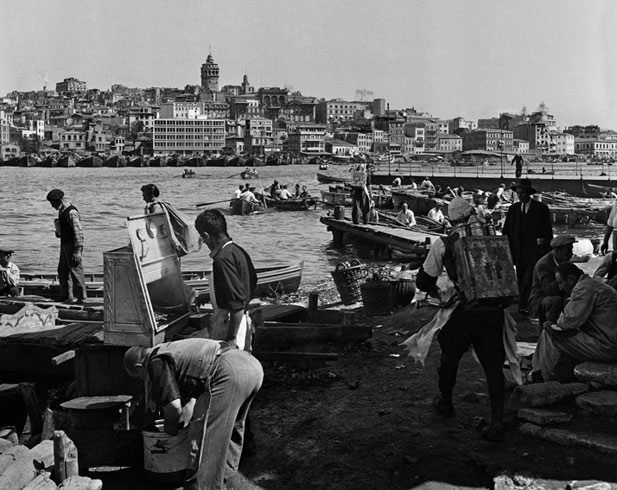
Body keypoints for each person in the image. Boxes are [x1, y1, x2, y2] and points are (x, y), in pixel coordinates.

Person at [415, 197, 507, 441]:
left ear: (451, 221)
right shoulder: (490, 235)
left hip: (461, 311)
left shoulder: (444, 244)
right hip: (492, 309)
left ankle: (446, 402)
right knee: (493, 366)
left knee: (450, 359)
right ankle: (497, 421)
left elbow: (423, 282)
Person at [123, 339, 263, 490]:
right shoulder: (173, 348)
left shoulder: (155, 361)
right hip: (251, 365)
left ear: (139, 366)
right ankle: (225, 480)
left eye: (138, 376)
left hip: (227, 371)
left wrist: (170, 431)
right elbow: (192, 397)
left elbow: (173, 408)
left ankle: (204, 486)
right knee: (231, 430)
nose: (142, 380)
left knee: (207, 438)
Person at [531, 262, 617, 382]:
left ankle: (542, 376)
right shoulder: (592, 284)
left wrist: (552, 324)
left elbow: (568, 321)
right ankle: (541, 371)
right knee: (554, 333)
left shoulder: (584, 288)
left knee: (549, 334)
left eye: (561, 283)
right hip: (608, 341)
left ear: (571, 279)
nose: (560, 287)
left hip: (607, 346)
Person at [194, 209, 257, 348]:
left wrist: (231, 338)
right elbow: (247, 285)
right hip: (242, 323)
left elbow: (236, 303)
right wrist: (211, 295)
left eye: (203, 238)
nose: (204, 242)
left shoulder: (222, 259)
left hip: (229, 327)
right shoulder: (237, 251)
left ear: (207, 235)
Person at [502, 179, 553, 315]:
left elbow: (547, 232)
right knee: (520, 279)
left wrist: (546, 251)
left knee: (528, 279)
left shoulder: (541, 209)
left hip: (534, 252)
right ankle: (523, 304)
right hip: (518, 252)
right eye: (518, 193)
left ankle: (525, 305)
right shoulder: (513, 210)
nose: (520, 196)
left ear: (528, 194)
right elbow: (506, 230)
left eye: (523, 193)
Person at [46, 189, 87, 304]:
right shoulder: (62, 211)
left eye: (53, 203)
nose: (52, 206)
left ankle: (81, 297)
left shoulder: (71, 212)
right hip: (64, 243)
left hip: (72, 245)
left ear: (59, 201)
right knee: (62, 269)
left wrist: (77, 251)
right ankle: (66, 295)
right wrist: (59, 233)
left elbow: (79, 233)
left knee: (75, 270)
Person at [528, 235, 575, 327]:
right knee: (555, 301)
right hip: (540, 299)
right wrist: (565, 282)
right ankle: (550, 329)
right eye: (568, 251)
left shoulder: (565, 261)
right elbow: (549, 289)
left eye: (571, 250)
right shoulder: (544, 265)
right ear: (557, 251)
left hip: (558, 294)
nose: (571, 254)